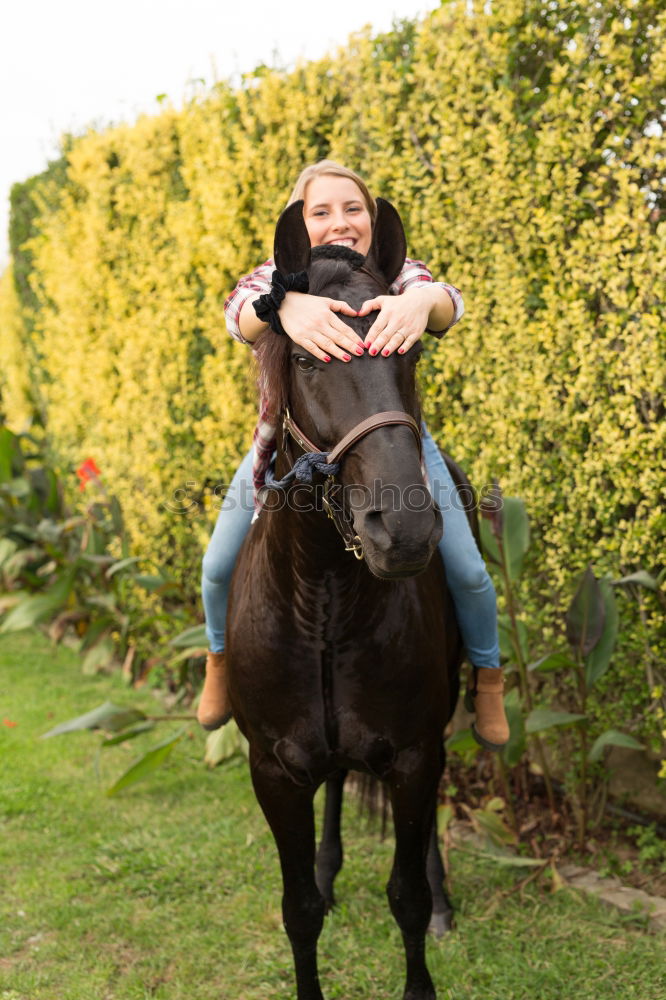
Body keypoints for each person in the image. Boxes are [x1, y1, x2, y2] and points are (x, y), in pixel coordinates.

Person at [197, 160, 509, 751]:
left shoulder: (395, 274)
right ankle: (217, 660)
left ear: (371, 218)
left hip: (390, 443)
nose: (339, 221)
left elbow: (444, 298)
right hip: (289, 447)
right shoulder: (275, 277)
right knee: (217, 564)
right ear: (300, 222)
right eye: (321, 211)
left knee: (468, 571)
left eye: (352, 208)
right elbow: (238, 315)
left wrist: (423, 306)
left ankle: (488, 679)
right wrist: (284, 307)